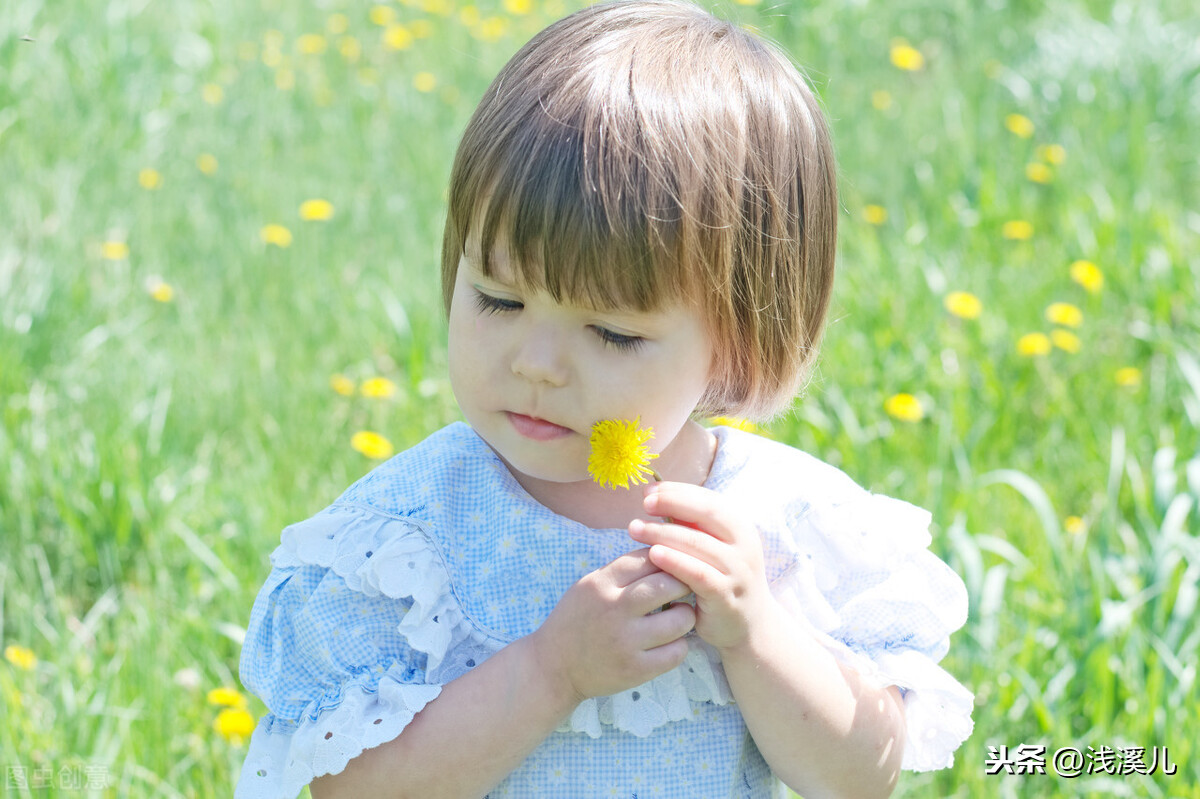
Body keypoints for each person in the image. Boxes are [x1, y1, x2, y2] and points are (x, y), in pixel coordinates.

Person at [235, 1, 973, 797]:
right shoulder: (414, 536)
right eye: (499, 299)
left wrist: (756, 632)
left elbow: (861, 775)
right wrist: (551, 670)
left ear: (740, 337)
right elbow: (353, 788)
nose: (540, 364)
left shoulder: (783, 527)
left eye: (612, 334)